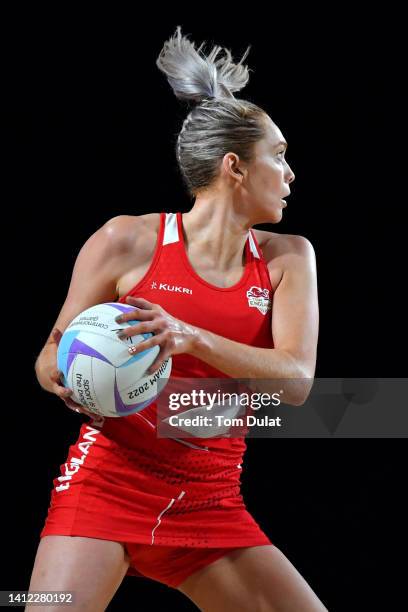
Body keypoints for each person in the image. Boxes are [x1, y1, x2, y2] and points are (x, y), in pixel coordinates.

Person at [28, 26, 325, 612]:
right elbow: (48, 354)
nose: (291, 174)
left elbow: (296, 382)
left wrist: (190, 335)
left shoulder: (289, 258)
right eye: (281, 157)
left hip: (210, 498)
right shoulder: (126, 240)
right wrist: (63, 378)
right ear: (236, 167)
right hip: (108, 484)